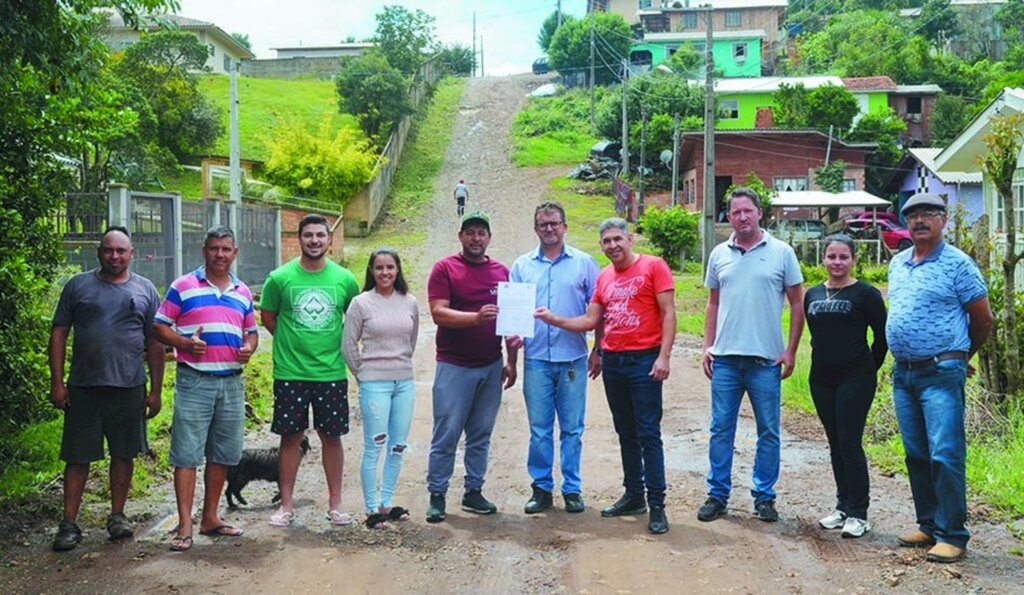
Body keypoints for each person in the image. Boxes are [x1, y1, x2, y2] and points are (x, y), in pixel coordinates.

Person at [535, 217, 676, 535]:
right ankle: (634, 495)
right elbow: (591, 320)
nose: (612, 245)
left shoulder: (654, 267)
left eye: (617, 239)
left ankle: (657, 504)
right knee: (625, 432)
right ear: (601, 245)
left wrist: (664, 356)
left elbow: (668, 312)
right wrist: (554, 320)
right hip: (614, 362)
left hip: (645, 361)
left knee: (648, 434)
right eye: (606, 241)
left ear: (630, 239)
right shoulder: (604, 277)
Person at [886, 192, 992, 563]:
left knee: (945, 453)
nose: (920, 220)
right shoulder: (898, 263)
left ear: (943, 220)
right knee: (916, 453)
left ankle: (952, 534)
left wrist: (962, 357)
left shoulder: (958, 265)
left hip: (941, 371)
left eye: (929, 213)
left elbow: (982, 319)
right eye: (912, 215)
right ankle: (928, 524)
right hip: (904, 373)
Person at [48, 227, 164, 551]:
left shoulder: (145, 290)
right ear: (99, 252)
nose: (114, 256)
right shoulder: (78, 286)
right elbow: (59, 333)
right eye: (108, 250)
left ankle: (117, 517)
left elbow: (155, 342)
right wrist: (57, 382)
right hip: (83, 386)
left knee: (124, 453)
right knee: (77, 456)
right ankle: (69, 524)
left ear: (132, 253)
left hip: (129, 386)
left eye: (120, 251)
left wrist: (156, 391)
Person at [700, 187, 804, 524]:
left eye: (748, 210)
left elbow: (797, 302)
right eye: (735, 212)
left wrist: (791, 350)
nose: (742, 217)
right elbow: (713, 302)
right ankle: (717, 495)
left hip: (765, 361)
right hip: (726, 359)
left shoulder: (782, 253)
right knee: (720, 430)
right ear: (728, 216)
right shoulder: (719, 254)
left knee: (769, 431)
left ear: (760, 212)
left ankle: (764, 496)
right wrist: (707, 346)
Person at [153, 226, 259, 552]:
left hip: (231, 381)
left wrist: (249, 348)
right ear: (204, 251)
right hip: (194, 379)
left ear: (235, 252)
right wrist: (185, 343)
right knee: (186, 454)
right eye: (214, 249)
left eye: (226, 249)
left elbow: (251, 332)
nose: (220, 255)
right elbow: (158, 326)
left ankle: (210, 517)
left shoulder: (242, 291)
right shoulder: (183, 286)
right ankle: (184, 526)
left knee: (223, 453)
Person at [260, 214, 360, 528]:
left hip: (331, 372)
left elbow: (354, 319)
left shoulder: (345, 279)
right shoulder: (279, 278)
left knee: (332, 438)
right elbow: (269, 317)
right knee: (290, 438)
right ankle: (286, 505)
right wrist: (293, 345)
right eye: (308, 235)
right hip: (290, 373)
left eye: (320, 235)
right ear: (299, 238)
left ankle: (335, 505)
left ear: (329, 240)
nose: (314, 241)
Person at [425, 211, 521, 523]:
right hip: (454, 365)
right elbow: (439, 313)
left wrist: (511, 361)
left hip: (490, 365)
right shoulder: (445, 269)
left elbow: (509, 323)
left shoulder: (501, 272)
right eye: (470, 233)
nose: (476, 238)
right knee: (447, 432)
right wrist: (475, 318)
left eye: (481, 233)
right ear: (461, 236)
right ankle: (437, 494)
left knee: (481, 434)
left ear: (489, 237)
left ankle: (473, 491)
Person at [510, 202, 600, 515]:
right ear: (535, 229)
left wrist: (598, 348)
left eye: (554, 223)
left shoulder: (585, 263)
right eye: (543, 224)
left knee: (573, 428)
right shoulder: (522, 266)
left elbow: (597, 311)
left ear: (565, 226)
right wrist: (512, 344)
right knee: (540, 428)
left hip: (572, 357)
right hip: (536, 360)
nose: (549, 229)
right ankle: (542, 488)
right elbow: (513, 316)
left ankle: (572, 489)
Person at [804, 234, 888, 538]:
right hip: (821, 379)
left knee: (850, 442)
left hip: (856, 378)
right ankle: (842, 506)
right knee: (835, 442)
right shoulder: (812, 294)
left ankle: (859, 512)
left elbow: (882, 337)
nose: (837, 262)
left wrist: (866, 370)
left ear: (854, 260)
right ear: (823, 259)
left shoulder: (866, 294)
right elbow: (815, 336)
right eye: (831, 257)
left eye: (843, 257)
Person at [342, 248, 419, 529]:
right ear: (371, 271)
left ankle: (387, 502)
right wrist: (363, 374)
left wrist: (398, 366)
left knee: (397, 446)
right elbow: (348, 345)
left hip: (404, 382)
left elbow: (411, 340)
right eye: (379, 268)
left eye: (390, 267)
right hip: (374, 383)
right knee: (374, 446)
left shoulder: (409, 302)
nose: (385, 273)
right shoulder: (361, 303)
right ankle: (371, 508)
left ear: (398, 270)